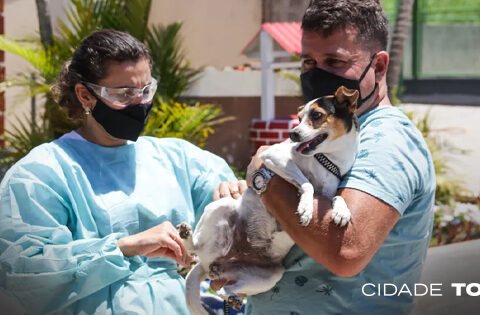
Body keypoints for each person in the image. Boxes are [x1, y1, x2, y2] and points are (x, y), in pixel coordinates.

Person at [214, 1, 436, 314]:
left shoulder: (388, 139)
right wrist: (247, 203)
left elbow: (345, 250)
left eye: (334, 61)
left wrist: (265, 178)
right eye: (308, 62)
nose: (318, 73)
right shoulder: (329, 134)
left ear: (380, 66)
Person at [0, 29, 235, 314]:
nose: (139, 104)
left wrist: (239, 195)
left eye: (146, 91)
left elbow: (234, 215)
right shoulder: (42, 173)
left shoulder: (178, 158)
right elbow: (22, 270)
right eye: (124, 94)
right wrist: (124, 247)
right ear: (85, 95)